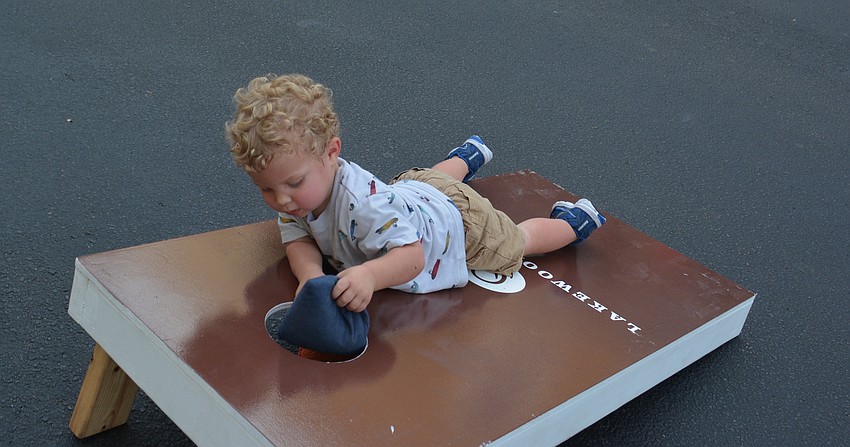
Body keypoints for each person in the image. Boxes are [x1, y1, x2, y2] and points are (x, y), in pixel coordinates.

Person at [225, 74, 605, 314]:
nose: (282, 200)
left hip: (459, 228)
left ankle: (574, 222)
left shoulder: (365, 205)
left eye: (292, 184)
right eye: (266, 189)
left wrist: (370, 277)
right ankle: (465, 158)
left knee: (515, 244)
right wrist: (308, 275)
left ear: (331, 152)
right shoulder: (296, 192)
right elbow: (297, 234)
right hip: (415, 191)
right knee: (431, 182)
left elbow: (412, 258)